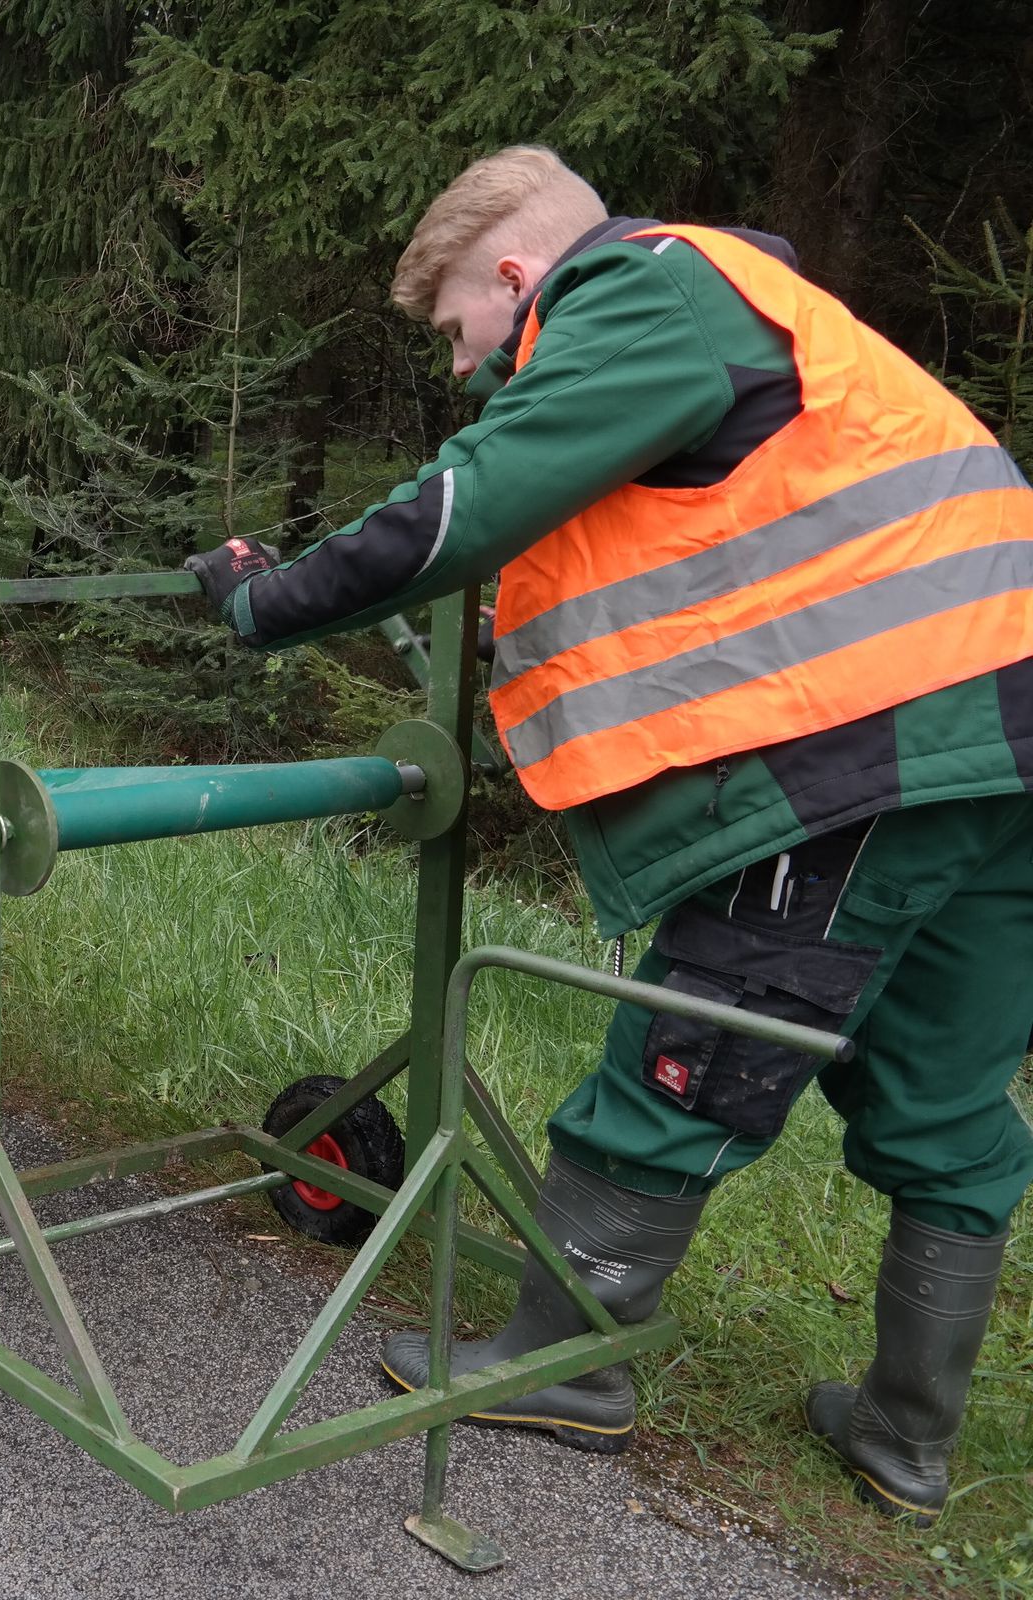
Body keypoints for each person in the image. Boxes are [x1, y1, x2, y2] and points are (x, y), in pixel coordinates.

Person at [185, 147, 1033, 1526]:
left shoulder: (643, 295)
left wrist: (264, 601)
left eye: (464, 333)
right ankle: (905, 1439)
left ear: (520, 277)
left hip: (857, 746)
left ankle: (565, 1361)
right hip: (990, 742)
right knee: (943, 1092)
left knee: (689, 1046)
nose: (468, 371)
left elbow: (465, 505)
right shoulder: (757, 317)